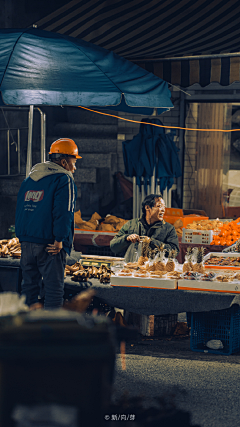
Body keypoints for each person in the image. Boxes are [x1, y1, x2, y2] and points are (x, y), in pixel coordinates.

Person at [15, 138, 81, 309]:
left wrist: (22, 238)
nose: (75, 167)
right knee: (54, 290)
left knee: (28, 288)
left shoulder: (30, 178)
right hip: (50, 245)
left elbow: (21, 208)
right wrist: (59, 239)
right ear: (64, 161)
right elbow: (64, 211)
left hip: (27, 243)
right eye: (74, 161)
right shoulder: (64, 179)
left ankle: (27, 330)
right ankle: (51, 332)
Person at [110, 193, 179, 262]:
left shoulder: (169, 229)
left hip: (156, 270)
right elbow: (113, 247)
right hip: (132, 270)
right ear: (147, 207)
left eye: (164, 207)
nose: (163, 210)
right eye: (159, 206)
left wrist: (151, 242)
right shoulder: (131, 225)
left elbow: (175, 251)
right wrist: (126, 238)